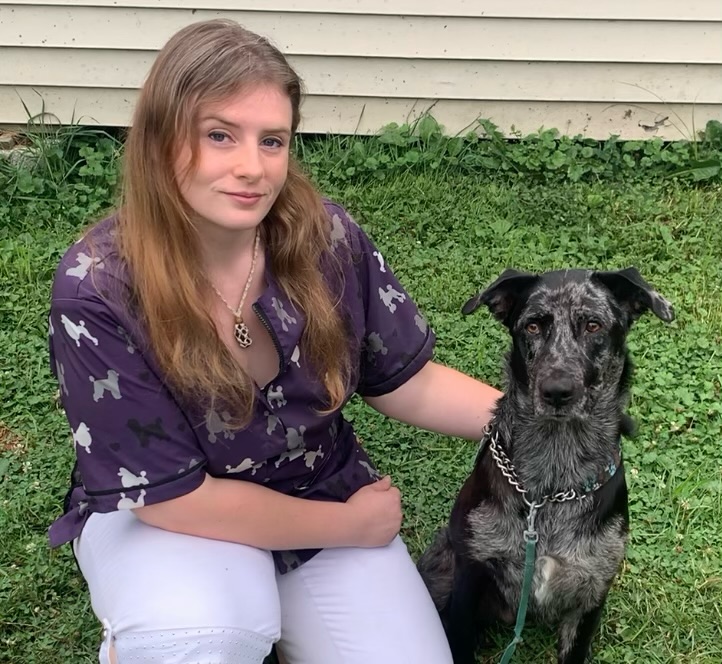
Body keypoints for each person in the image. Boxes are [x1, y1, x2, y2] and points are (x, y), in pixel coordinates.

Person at [47, 18, 501, 664]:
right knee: (202, 639)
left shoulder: (325, 240)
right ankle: (157, 629)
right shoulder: (96, 287)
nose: (251, 168)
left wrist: (537, 422)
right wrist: (349, 526)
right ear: (158, 138)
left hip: (311, 480)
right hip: (165, 513)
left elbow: (406, 380)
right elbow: (173, 500)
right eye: (219, 135)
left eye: (273, 141)